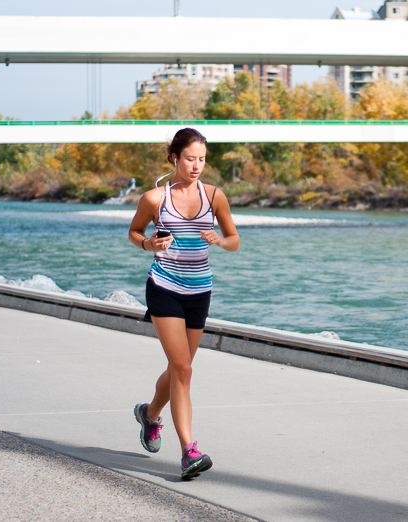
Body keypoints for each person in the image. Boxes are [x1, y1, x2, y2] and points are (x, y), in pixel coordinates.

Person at [128, 128, 239, 480]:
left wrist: (220, 241)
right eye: (191, 158)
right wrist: (149, 245)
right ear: (175, 157)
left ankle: (150, 414)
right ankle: (189, 452)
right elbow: (134, 232)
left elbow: (235, 240)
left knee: (181, 370)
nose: (197, 166)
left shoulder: (215, 196)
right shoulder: (154, 198)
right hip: (164, 287)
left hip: (200, 290)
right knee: (184, 370)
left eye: (202, 159)